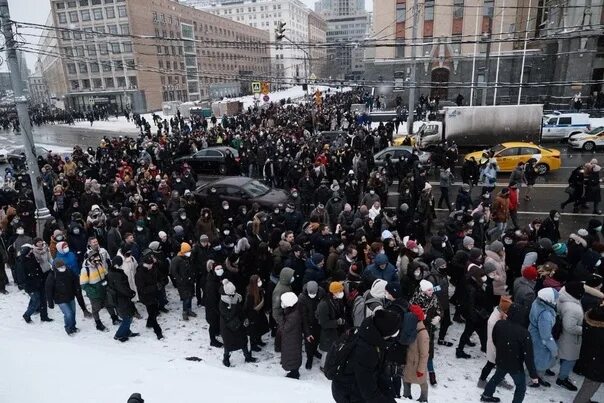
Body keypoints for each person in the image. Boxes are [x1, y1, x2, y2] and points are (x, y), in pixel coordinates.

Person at [331, 309, 401, 403]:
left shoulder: (371, 335)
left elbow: (378, 372)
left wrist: (388, 392)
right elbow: (368, 390)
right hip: (347, 392)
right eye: (395, 332)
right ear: (386, 332)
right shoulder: (366, 350)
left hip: (354, 386)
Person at [480, 303, 540, 403]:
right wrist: (533, 375)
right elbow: (528, 357)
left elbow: (495, 339)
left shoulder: (499, 324)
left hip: (501, 359)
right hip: (515, 366)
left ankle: (486, 395)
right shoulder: (524, 333)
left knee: (496, 377)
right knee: (520, 386)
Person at [219, 278, 257, 367]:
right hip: (228, 326)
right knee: (228, 344)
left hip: (237, 323)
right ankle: (226, 358)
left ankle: (247, 357)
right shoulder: (223, 302)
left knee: (243, 341)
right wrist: (234, 305)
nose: (234, 294)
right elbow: (228, 315)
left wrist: (244, 318)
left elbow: (240, 311)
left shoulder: (234, 297)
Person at [555, 281, 585, 391]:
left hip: (562, 335)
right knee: (570, 359)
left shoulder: (563, 296)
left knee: (560, 354)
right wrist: (585, 330)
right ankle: (562, 379)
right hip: (570, 339)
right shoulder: (573, 308)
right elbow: (569, 327)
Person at [478, 296, 512, 389]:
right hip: (495, 346)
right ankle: (482, 380)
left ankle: (498, 379)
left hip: (496, 345)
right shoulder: (495, 320)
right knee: (491, 363)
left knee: (496, 364)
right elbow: (499, 335)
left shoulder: (498, 313)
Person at [528, 287, 559, 386]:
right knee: (539, 361)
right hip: (539, 340)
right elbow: (545, 336)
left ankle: (535, 377)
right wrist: (554, 349)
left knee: (534, 358)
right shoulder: (545, 314)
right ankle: (534, 380)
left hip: (533, 334)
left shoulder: (537, 302)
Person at [573, 305, 604, 403]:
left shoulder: (590, 318)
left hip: (589, 358)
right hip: (597, 365)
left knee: (588, 385)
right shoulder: (600, 332)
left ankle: (585, 399)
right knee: (590, 385)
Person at [18, 244, 52, 323]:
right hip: (31, 286)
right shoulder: (21, 262)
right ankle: (27, 314)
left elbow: (38, 268)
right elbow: (21, 277)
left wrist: (42, 278)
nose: (31, 252)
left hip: (39, 282)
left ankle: (44, 316)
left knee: (43, 299)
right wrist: (25, 285)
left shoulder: (33, 257)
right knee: (36, 300)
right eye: (30, 251)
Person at [107, 256, 139, 342]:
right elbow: (121, 288)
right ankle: (119, 335)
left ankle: (127, 331)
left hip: (122, 298)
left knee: (129, 316)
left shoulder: (113, 272)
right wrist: (131, 293)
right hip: (121, 299)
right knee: (127, 317)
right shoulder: (116, 275)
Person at [403, 304, 429, 402]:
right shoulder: (411, 328)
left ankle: (424, 398)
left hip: (416, 364)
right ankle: (406, 396)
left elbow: (424, 354)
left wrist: (421, 369)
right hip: (409, 362)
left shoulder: (422, 333)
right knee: (406, 380)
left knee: (422, 383)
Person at [317, 281, 346, 369]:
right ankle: (323, 366)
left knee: (332, 348)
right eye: (340, 291)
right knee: (327, 350)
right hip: (328, 332)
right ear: (334, 292)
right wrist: (337, 322)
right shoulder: (324, 304)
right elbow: (324, 323)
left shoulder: (336, 300)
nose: (342, 293)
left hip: (334, 331)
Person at [135, 251, 163, 340]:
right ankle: (158, 331)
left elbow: (159, 276)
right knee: (152, 312)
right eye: (149, 265)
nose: (151, 266)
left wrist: (160, 283)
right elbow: (142, 289)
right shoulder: (139, 274)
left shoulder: (153, 268)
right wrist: (155, 287)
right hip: (146, 297)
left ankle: (149, 323)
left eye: (151, 264)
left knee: (154, 311)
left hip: (155, 294)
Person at [45, 259, 79, 335]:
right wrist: (50, 303)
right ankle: (68, 327)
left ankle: (73, 326)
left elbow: (75, 282)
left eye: (63, 266)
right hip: (60, 299)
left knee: (73, 312)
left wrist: (77, 291)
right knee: (68, 314)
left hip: (70, 296)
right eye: (60, 267)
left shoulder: (69, 272)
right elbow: (48, 290)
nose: (62, 268)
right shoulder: (52, 276)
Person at [299, 280, 324, 369]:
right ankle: (309, 358)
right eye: (311, 293)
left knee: (317, 339)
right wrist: (307, 332)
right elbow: (303, 316)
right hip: (308, 323)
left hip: (318, 322)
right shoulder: (302, 298)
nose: (312, 295)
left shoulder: (321, 293)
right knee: (309, 341)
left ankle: (315, 351)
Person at [279, 291, 303, 379]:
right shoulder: (295, 310)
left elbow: (284, 328)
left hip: (291, 340)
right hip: (293, 339)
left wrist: (281, 319)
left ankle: (294, 373)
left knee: (292, 356)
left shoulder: (293, 316)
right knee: (294, 355)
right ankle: (294, 370)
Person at [243, 274, 269, 351]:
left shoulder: (260, 290)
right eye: (258, 281)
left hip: (259, 313)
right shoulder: (250, 294)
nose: (260, 282)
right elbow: (249, 307)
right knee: (253, 331)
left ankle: (258, 340)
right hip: (253, 315)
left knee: (260, 328)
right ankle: (253, 345)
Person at [170, 242, 196, 321]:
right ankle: (185, 311)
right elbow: (173, 271)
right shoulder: (177, 259)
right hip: (182, 283)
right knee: (186, 297)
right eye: (188, 251)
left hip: (190, 281)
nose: (189, 253)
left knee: (190, 296)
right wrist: (180, 279)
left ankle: (189, 310)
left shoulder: (188, 258)